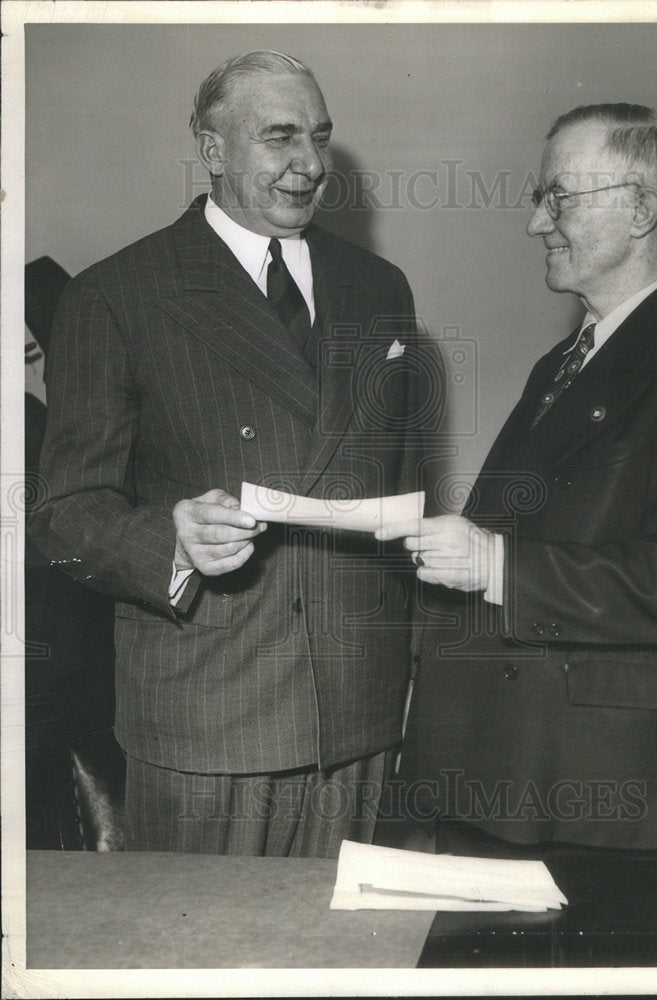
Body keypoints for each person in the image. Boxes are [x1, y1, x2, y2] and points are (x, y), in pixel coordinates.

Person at [30, 51, 439, 857]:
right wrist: (169, 540)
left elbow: (400, 487)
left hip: (357, 708)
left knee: (337, 970)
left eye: (318, 138)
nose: (311, 166)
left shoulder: (378, 287)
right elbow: (64, 511)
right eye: (279, 138)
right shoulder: (117, 294)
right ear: (212, 151)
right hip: (208, 714)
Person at [378, 103, 657, 851]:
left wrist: (494, 562)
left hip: (593, 786)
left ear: (639, 210)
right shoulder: (561, 365)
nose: (535, 223)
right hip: (504, 765)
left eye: (557, 196)